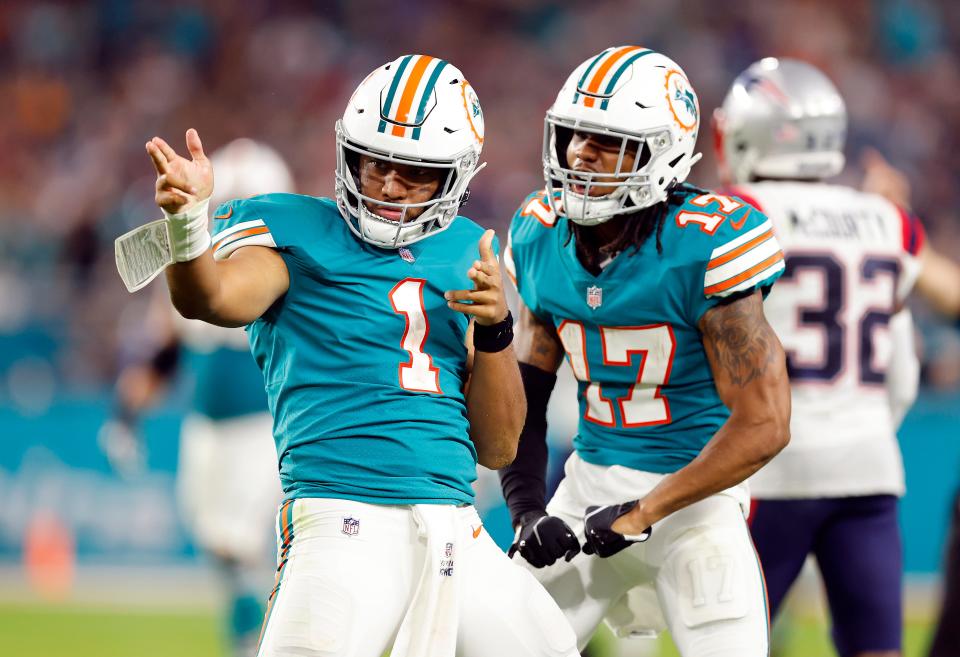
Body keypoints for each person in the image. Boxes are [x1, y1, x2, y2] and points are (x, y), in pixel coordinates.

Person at [139, 54, 580, 657]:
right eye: (374, 162)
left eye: (413, 172)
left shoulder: (470, 250)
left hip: (458, 529)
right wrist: (188, 224)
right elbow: (208, 298)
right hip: (340, 516)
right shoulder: (292, 229)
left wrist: (497, 329)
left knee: (550, 645)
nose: (388, 184)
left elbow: (498, 446)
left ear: (455, 177)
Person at [498, 46, 791, 656]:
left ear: (663, 154)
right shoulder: (539, 232)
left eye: (607, 141)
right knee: (488, 644)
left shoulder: (706, 243)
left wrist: (642, 511)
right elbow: (525, 393)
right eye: (575, 134)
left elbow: (766, 422)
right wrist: (527, 510)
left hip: (695, 503)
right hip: (586, 494)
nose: (580, 152)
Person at [713, 57, 960, 657]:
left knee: (726, 641)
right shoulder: (887, 222)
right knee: (877, 648)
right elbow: (927, 327)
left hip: (772, 467)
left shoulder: (730, 215)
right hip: (869, 466)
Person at [103, 138, 292, 657]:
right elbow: (164, 351)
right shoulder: (192, 261)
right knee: (220, 546)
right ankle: (247, 638)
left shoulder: (291, 266)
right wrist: (126, 414)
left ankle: (270, 642)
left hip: (267, 428)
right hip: (207, 429)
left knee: (254, 544)